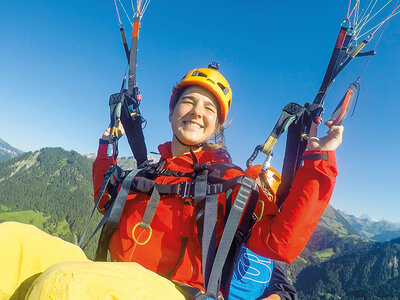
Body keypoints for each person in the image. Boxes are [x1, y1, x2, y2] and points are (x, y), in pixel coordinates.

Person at [91, 64, 341, 298]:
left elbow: (281, 243)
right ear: (171, 112)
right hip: (113, 287)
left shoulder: (230, 182)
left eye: (209, 108)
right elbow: (106, 203)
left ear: (218, 125)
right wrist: (106, 148)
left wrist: (319, 161)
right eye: (188, 101)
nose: (197, 111)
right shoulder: (147, 172)